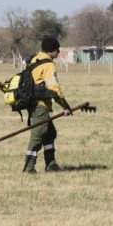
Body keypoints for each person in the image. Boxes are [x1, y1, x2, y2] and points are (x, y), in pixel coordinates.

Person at [22, 37, 73, 173]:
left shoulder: (34, 59)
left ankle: (51, 165)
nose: (58, 52)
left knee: (50, 134)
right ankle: (29, 167)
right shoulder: (48, 65)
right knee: (38, 135)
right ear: (51, 50)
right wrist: (65, 106)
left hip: (32, 103)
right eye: (57, 49)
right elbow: (54, 89)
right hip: (40, 105)